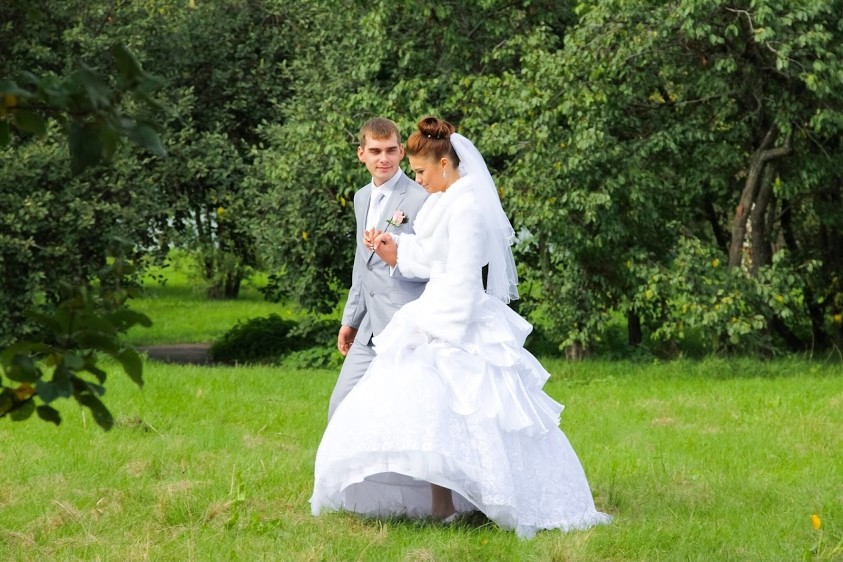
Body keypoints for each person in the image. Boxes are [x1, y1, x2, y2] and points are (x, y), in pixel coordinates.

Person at [311, 117, 612, 538]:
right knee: (434, 415)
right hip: (435, 312)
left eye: (421, 171)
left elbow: (465, 279)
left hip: (457, 321)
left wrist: (436, 326)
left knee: (477, 416)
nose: (418, 180)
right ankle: (443, 505)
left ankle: (498, 496)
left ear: (445, 164)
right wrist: (398, 251)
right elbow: (431, 258)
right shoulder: (442, 201)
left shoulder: (468, 207)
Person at [328, 118, 429, 420]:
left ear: (401, 152)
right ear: (362, 154)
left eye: (390, 150)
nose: (383, 158)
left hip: (405, 330)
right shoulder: (361, 197)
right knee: (341, 407)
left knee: (400, 416)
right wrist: (351, 319)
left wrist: (395, 255)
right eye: (375, 151)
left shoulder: (421, 198)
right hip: (369, 329)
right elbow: (363, 265)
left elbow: (432, 265)